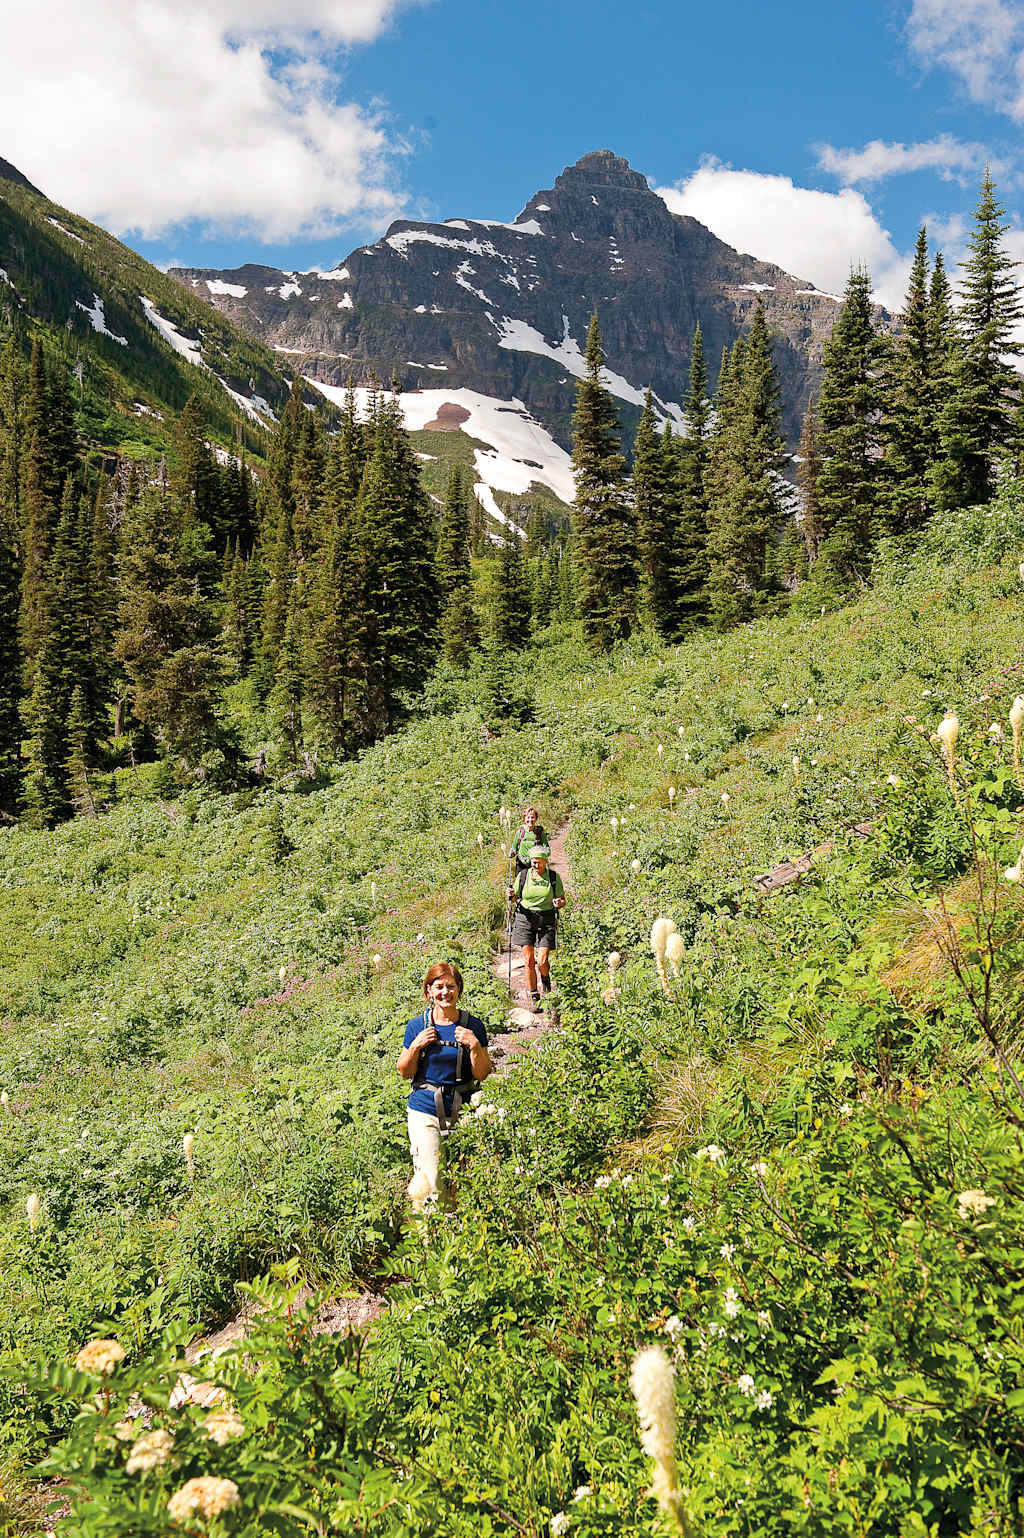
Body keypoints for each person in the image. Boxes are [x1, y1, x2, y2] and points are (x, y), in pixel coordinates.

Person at [396, 961, 492, 1203]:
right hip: (425, 1110)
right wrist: (416, 1045)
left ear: (459, 990)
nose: (445, 992)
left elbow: (482, 1073)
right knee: (431, 1181)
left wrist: (475, 1045)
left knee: (470, 1179)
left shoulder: (473, 1026)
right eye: (438, 986)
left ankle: (463, 1234)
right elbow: (405, 1071)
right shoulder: (417, 1026)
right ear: (429, 991)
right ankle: (429, 1236)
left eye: (451, 986)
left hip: (465, 1110)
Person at [508, 844, 565, 1006]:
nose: (536, 865)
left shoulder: (553, 878)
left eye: (539, 862)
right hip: (524, 917)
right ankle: (534, 995)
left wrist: (558, 902)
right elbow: (514, 898)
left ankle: (545, 979)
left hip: (546, 918)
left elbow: (562, 900)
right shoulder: (524, 875)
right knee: (528, 960)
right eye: (533, 861)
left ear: (545, 862)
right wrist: (511, 895)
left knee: (542, 960)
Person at [509, 804, 547, 877]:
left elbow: (546, 848)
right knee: (520, 885)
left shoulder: (540, 833)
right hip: (521, 864)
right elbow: (514, 848)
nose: (530, 820)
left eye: (532, 817)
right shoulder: (520, 832)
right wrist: (512, 852)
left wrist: (543, 856)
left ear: (536, 819)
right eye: (528, 817)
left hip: (536, 865)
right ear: (524, 818)